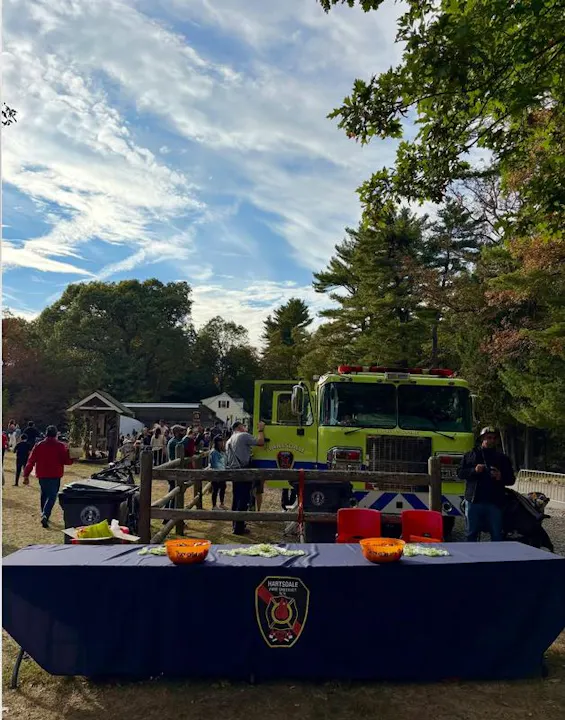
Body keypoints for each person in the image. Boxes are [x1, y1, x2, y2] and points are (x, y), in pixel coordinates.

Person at [458, 426, 515, 542]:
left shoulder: (503, 459)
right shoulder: (470, 455)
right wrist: (474, 470)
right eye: (489, 437)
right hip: (473, 501)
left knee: (496, 534)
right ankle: (471, 559)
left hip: (494, 502)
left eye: (494, 438)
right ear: (482, 438)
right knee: (471, 533)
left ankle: (495, 559)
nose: (492, 440)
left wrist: (500, 476)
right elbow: (460, 473)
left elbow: (511, 480)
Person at [23, 425, 74, 528]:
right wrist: (72, 456)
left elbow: (31, 461)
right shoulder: (60, 446)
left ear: (46, 434)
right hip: (55, 474)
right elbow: (66, 461)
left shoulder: (39, 445)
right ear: (56, 435)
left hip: (42, 474)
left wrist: (26, 475)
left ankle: (44, 513)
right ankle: (45, 515)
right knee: (52, 496)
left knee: (44, 494)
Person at [225, 420, 265, 535]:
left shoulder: (229, 440)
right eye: (243, 426)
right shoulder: (243, 436)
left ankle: (236, 525)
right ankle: (239, 528)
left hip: (234, 471)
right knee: (243, 500)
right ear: (239, 427)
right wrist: (261, 429)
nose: (245, 427)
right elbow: (261, 442)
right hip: (243, 470)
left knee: (236, 498)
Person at [209, 436, 227, 510]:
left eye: (222, 441)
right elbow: (215, 463)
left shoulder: (221, 452)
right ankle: (214, 505)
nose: (221, 443)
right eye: (219, 441)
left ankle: (222, 504)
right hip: (216, 473)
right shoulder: (214, 452)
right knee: (215, 489)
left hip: (222, 473)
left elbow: (224, 461)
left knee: (223, 488)